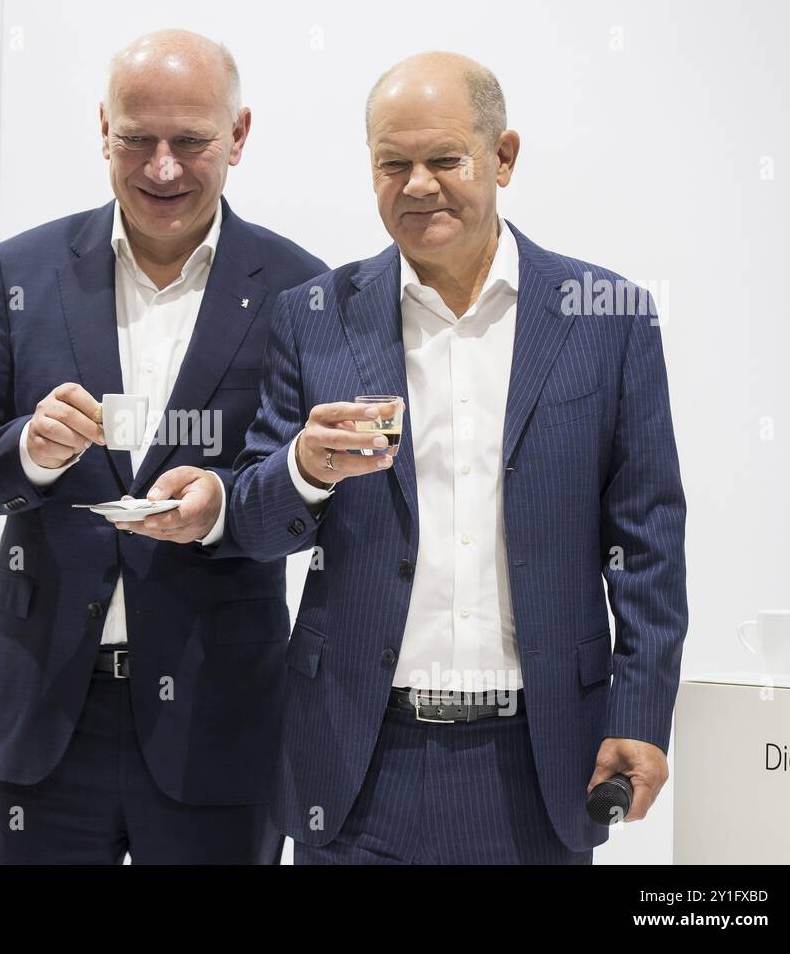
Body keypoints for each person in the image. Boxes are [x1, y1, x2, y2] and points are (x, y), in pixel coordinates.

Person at [229, 51, 688, 864]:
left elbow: (648, 544)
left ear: (503, 157)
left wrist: (640, 717)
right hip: (356, 762)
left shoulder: (608, 316)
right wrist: (306, 467)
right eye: (391, 165)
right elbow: (260, 529)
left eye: (445, 160)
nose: (417, 186)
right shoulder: (313, 315)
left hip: (544, 763)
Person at [0, 29, 326, 864]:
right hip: (39, 716)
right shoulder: (19, 271)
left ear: (238, 137)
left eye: (191, 141)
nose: (163, 168)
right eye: (137, 139)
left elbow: (305, 494)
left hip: (219, 716)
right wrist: (31, 453)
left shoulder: (303, 291)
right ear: (103, 130)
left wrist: (221, 510)